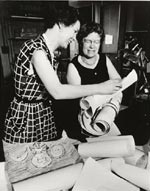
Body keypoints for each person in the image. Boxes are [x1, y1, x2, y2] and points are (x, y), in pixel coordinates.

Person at [3, 8, 122, 144]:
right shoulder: (37, 51)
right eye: (74, 31)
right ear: (60, 25)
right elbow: (58, 92)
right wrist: (101, 88)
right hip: (27, 118)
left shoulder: (48, 51)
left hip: (42, 113)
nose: (74, 38)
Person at [62, 22, 123, 141]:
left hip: (106, 113)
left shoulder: (104, 60)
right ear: (81, 42)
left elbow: (118, 82)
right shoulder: (73, 66)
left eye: (96, 42)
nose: (92, 46)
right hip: (85, 119)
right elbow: (79, 99)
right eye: (88, 41)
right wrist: (104, 89)